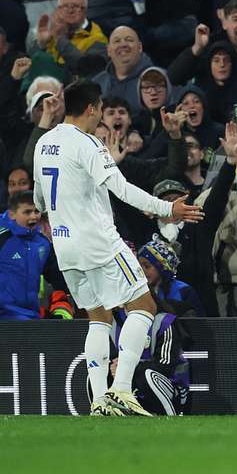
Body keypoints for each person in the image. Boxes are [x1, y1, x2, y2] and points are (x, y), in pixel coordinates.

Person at [32, 80, 203, 416]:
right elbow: (121, 188)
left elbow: (39, 199)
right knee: (144, 306)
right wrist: (169, 209)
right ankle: (122, 389)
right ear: (93, 108)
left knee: (98, 318)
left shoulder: (44, 142)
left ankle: (99, 401)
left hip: (65, 246)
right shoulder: (89, 143)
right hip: (98, 241)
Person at [0, 190, 63, 320]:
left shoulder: (43, 243)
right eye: (27, 212)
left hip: (32, 317)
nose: (33, 217)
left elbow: (58, 279)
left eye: (36, 211)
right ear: (12, 214)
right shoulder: (2, 238)